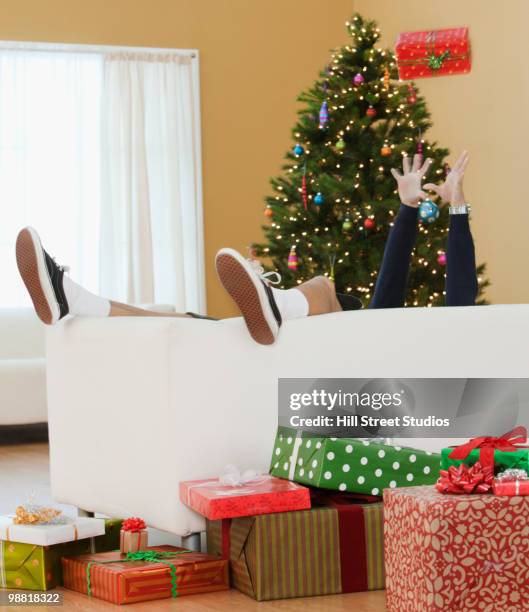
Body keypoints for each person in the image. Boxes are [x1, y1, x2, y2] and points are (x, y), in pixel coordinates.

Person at [15, 151, 476, 346]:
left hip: (326, 351)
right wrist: (408, 207)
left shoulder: (442, 339)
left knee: (321, 284)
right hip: (302, 342)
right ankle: (71, 300)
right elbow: (390, 283)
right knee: (180, 326)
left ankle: (277, 304)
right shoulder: (380, 323)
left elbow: (461, 301)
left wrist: (457, 210)